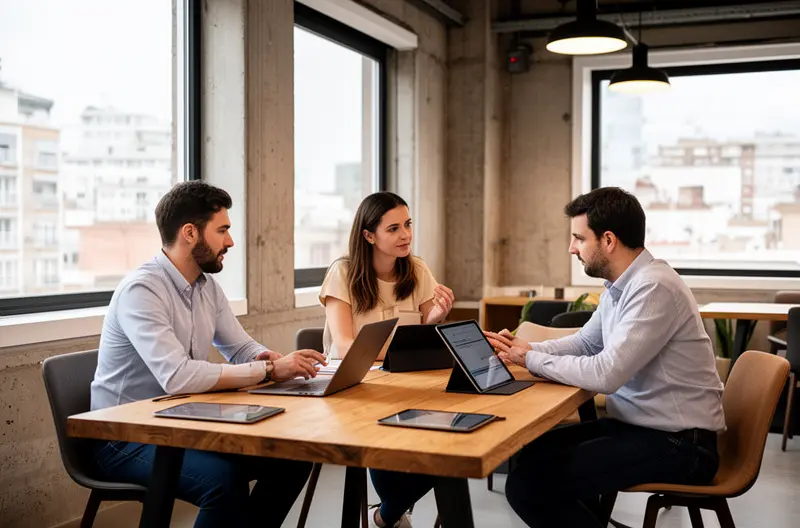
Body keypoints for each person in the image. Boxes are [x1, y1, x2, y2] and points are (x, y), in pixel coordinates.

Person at [90, 181, 325, 528]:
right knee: (223, 483)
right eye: (223, 230)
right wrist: (271, 371)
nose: (230, 241)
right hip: (126, 437)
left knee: (292, 457)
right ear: (189, 233)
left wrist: (274, 360)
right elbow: (178, 377)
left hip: (182, 423)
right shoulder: (142, 290)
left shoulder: (206, 286)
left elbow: (240, 348)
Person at [486, 187, 725, 528]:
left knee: (528, 486)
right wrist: (523, 350)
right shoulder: (621, 285)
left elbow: (606, 374)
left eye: (578, 238)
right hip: (641, 428)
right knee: (533, 452)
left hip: (681, 445)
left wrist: (529, 360)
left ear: (608, 240)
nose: (572, 248)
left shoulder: (653, 287)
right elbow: (585, 343)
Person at [319, 191, 455, 528]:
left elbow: (426, 338)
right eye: (393, 228)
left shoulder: (418, 269)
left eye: (407, 224)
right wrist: (400, 355)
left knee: (453, 446)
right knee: (389, 435)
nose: (405, 234)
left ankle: (386, 515)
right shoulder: (344, 272)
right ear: (369, 235)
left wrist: (436, 317)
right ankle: (391, 514)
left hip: (407, 382)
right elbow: (347, 345)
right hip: (353, 388)